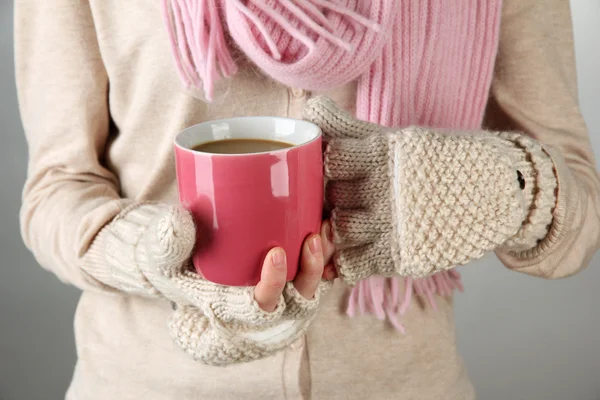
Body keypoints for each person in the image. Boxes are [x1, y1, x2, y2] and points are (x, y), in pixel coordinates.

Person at [14, 0, 600, 399]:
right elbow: (56, 188)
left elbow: (578, 224)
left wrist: (508, 187)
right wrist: (149, 258)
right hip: (143, 383)